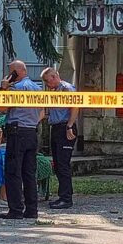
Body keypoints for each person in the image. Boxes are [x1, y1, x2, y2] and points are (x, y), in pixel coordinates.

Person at [0, 60, 43, 219]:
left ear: (16, 72)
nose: (8, 75)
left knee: (13, 171)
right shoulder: (37, 88)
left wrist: (3, 88)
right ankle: (32, 210)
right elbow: (42, 112)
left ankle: (15, 209)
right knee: (29, 173)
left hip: (17, 133)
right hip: (31, 132)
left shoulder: (15, 88)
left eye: (10, 72)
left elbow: (1, 108)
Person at [41, 67, 78, 209]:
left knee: (63, 164)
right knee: (58, 164)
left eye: (46, 81)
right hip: (56, 128)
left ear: (54, 77)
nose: (46, 84)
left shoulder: (66, 88)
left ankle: (66, 199)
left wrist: (69, 126)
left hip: (65, 128)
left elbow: (75, 107)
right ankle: (64, 195)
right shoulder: (54, 91)